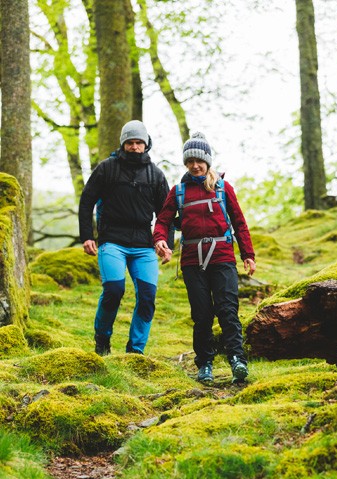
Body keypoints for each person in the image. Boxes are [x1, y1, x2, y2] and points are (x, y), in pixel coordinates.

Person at [153, 132, 256, 384]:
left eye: (199, 160)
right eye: (190, 161)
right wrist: (160, 240)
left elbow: (239, 222)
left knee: (228, 310)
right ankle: (205, 364)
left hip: (222, 258)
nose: (195, 165)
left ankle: (237, 360)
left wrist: (248, 254)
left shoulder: (223, 188)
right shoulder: (178, 191)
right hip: (192, 261)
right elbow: (163, 220)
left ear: (208, 161)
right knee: (201, 315)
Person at [77, 120, 170, 356]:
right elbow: (86, 201)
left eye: (139, 142)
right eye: (130, 142)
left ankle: (135, 351)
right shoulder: (107, 168)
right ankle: (102, 340)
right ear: (123, 144)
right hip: (112, 242)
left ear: (146, 144)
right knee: (114, 290)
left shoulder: (155, 174)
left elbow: (165, 214)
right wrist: (87, 236)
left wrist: (164, 241)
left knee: (148, 297)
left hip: (143, 246)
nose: (135, 147)